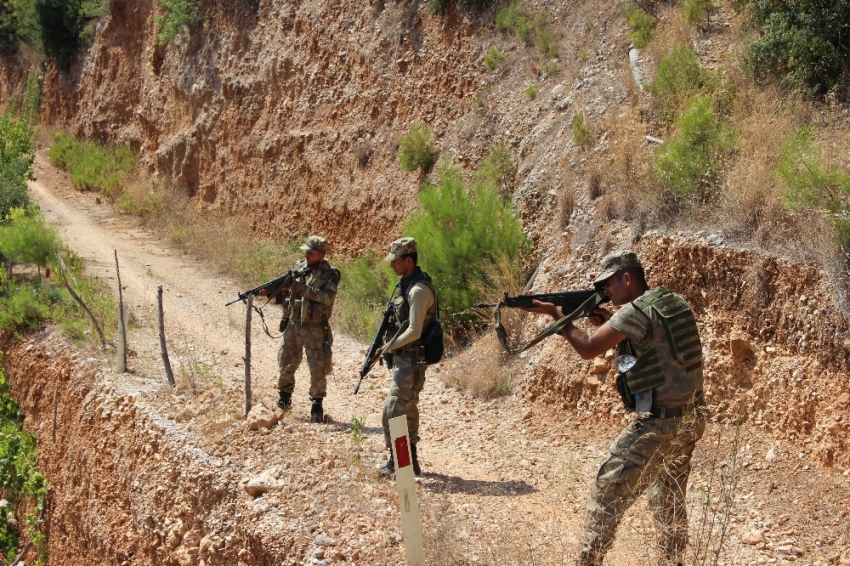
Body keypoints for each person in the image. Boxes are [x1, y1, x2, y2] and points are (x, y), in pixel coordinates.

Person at [523, 250, 707, 566]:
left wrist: (558, 317)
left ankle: (590, 560)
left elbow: (588, 348)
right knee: (669, 494)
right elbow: (656, 347)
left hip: (659, 422)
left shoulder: (634, 311)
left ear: (626, 277)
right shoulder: (670, 301)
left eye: (608, 284)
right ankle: (672, 559)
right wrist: (610, 322)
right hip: (690, 417)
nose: (605, 292)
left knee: (608, 488)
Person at [371, 237, 437, 477]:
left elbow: (415, 331)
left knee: (393, 410)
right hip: (406, 358)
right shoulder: (406, 285)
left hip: (412, 359)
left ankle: (399, 464)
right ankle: (411, 461)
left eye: (395, 261)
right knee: (407, 408)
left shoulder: (419, 290)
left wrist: (388, 346)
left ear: (408, 260)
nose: (391, 265)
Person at [274, 235, 340, 423]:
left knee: (317, 367)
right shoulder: (300, 268)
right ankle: (284, 399)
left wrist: (303, 289)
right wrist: (274, 294)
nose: (307, 256)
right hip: (294, 323)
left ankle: (316, 405)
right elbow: (287, 294)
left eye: (310, 253)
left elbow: (327, 298)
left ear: (321, 254)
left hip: (315, 327)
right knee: (287, 360)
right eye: (305, 252)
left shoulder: (331, 274)